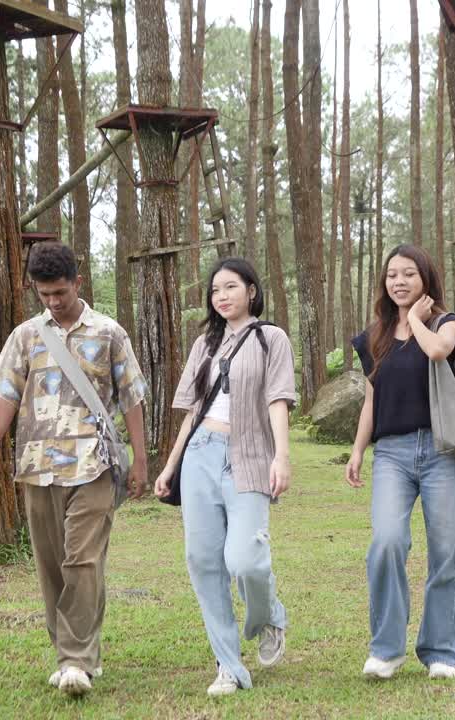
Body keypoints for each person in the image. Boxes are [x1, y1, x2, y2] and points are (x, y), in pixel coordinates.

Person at [0, 242, 149, 697]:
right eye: (44, 294)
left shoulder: (109, 332)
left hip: (93, 465)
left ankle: (75, 660)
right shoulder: (26, 336)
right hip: (37, 466)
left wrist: (141, 460)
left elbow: (131, 397)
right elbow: (7, 395)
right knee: (52, 566)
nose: (53, 302)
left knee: (83, 561)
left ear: (77, 282)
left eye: (60, 293)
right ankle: (73, 651)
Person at [154, 258, 296, 697]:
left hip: (250, 455)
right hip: (200, 455)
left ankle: (269, 612)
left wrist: (282, 457)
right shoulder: (205, 344)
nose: (221, 296)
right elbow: (193, 412)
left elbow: (278, 400)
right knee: (204, 561)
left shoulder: (272, 338)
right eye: (215, 290)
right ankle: (228, 665)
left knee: (245, 559)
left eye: (230, 287)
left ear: (251, 290)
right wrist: (171, 465)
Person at [345, 243, 455, 681]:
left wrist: (416, 320)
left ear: (426, 279)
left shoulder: (445, 321)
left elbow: (438, 350)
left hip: (444, 452)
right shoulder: (374, 336)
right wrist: (359, 449)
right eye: (392, 275)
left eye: (408, 274)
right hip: (393, 454)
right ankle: (386, 649)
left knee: (446, 552)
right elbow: (371, 398)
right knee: (386, 542)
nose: (398, 282)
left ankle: (442, 651)